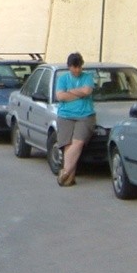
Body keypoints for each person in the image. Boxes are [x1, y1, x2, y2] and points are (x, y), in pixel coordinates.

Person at [55, 52, 96, 187]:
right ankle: (69, 178)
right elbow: (60, 96)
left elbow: (87, 92)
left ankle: (65, 173)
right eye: (74, 67)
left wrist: (70, 91)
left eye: (79, 67)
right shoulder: (62, 79)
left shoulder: (87, 77)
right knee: (67, 145)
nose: (77, 70)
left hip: (85, 115)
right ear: (69, 67)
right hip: (65, 115)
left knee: (78, 143)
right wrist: (79, 93)